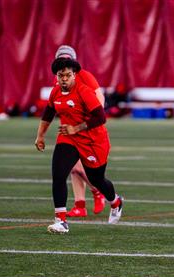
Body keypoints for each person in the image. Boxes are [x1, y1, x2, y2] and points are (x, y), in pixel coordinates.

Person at [35, 57, 124, 233]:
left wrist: (76, 128)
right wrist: (40, 136)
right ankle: (61, 221)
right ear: (57, 76)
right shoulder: (55, 93)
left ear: (75, 75)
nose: (64, 79)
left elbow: (101, 117)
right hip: (69, 138)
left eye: (68, 75)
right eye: (61, 76)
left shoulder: (84, 91)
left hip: (93, 140)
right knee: (59, 175)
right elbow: (48, 115)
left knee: (97, 179)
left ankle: (115, 201)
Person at [53, 45, 106, 218]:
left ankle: (97, 191)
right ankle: (80, 205)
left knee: (78, 167)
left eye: (67, 59)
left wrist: (87, 123)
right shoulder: (60, 78)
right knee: (73, 168)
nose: (64, 63)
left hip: (86, 130)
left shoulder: (85, 76)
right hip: (69, 130)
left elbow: (100, 99)